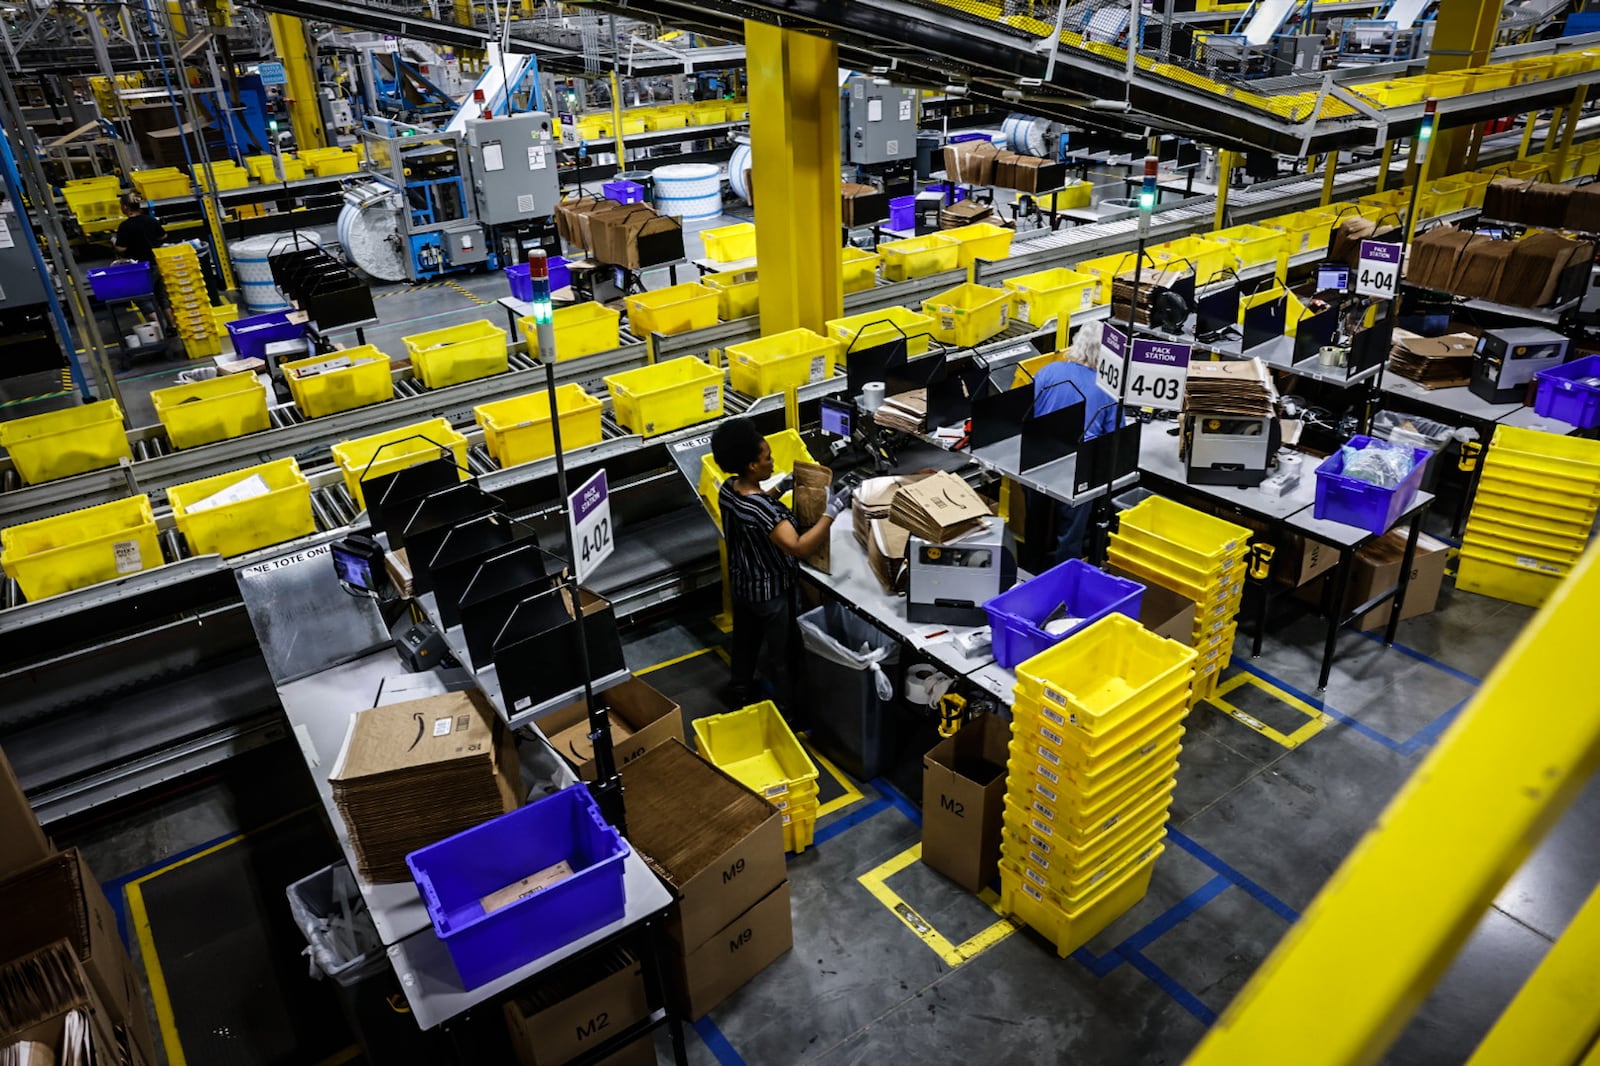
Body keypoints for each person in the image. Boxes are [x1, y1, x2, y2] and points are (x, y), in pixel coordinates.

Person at [711, 417, 851, 715]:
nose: (772, 462)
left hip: (744, 585)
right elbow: (798, 546)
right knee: (784, 653)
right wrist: (831, 512)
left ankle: (740, 690)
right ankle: (791, 710)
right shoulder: (762, 510)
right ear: (751, 465)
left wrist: (781, 486)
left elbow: (757, 508)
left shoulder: (728, 489)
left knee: (745, 643)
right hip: (771, 593)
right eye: (767, 458)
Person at [1031, 329, 1120, 563]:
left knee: (1035, 522)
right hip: (1078, 466)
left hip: (1036, 458)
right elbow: (1113, 435)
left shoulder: (1047, 371)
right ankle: (1064, 580)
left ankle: (1030, 571)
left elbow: (1027, 412)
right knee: (1071, 532)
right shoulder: (1106, 387)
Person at [113, 195, 165, 264]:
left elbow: (121, 248)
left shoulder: (124, 226)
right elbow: (163, 236)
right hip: (155, 258)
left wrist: (113, 241)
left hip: (136, 262)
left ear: (125, 207)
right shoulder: (151, 219)